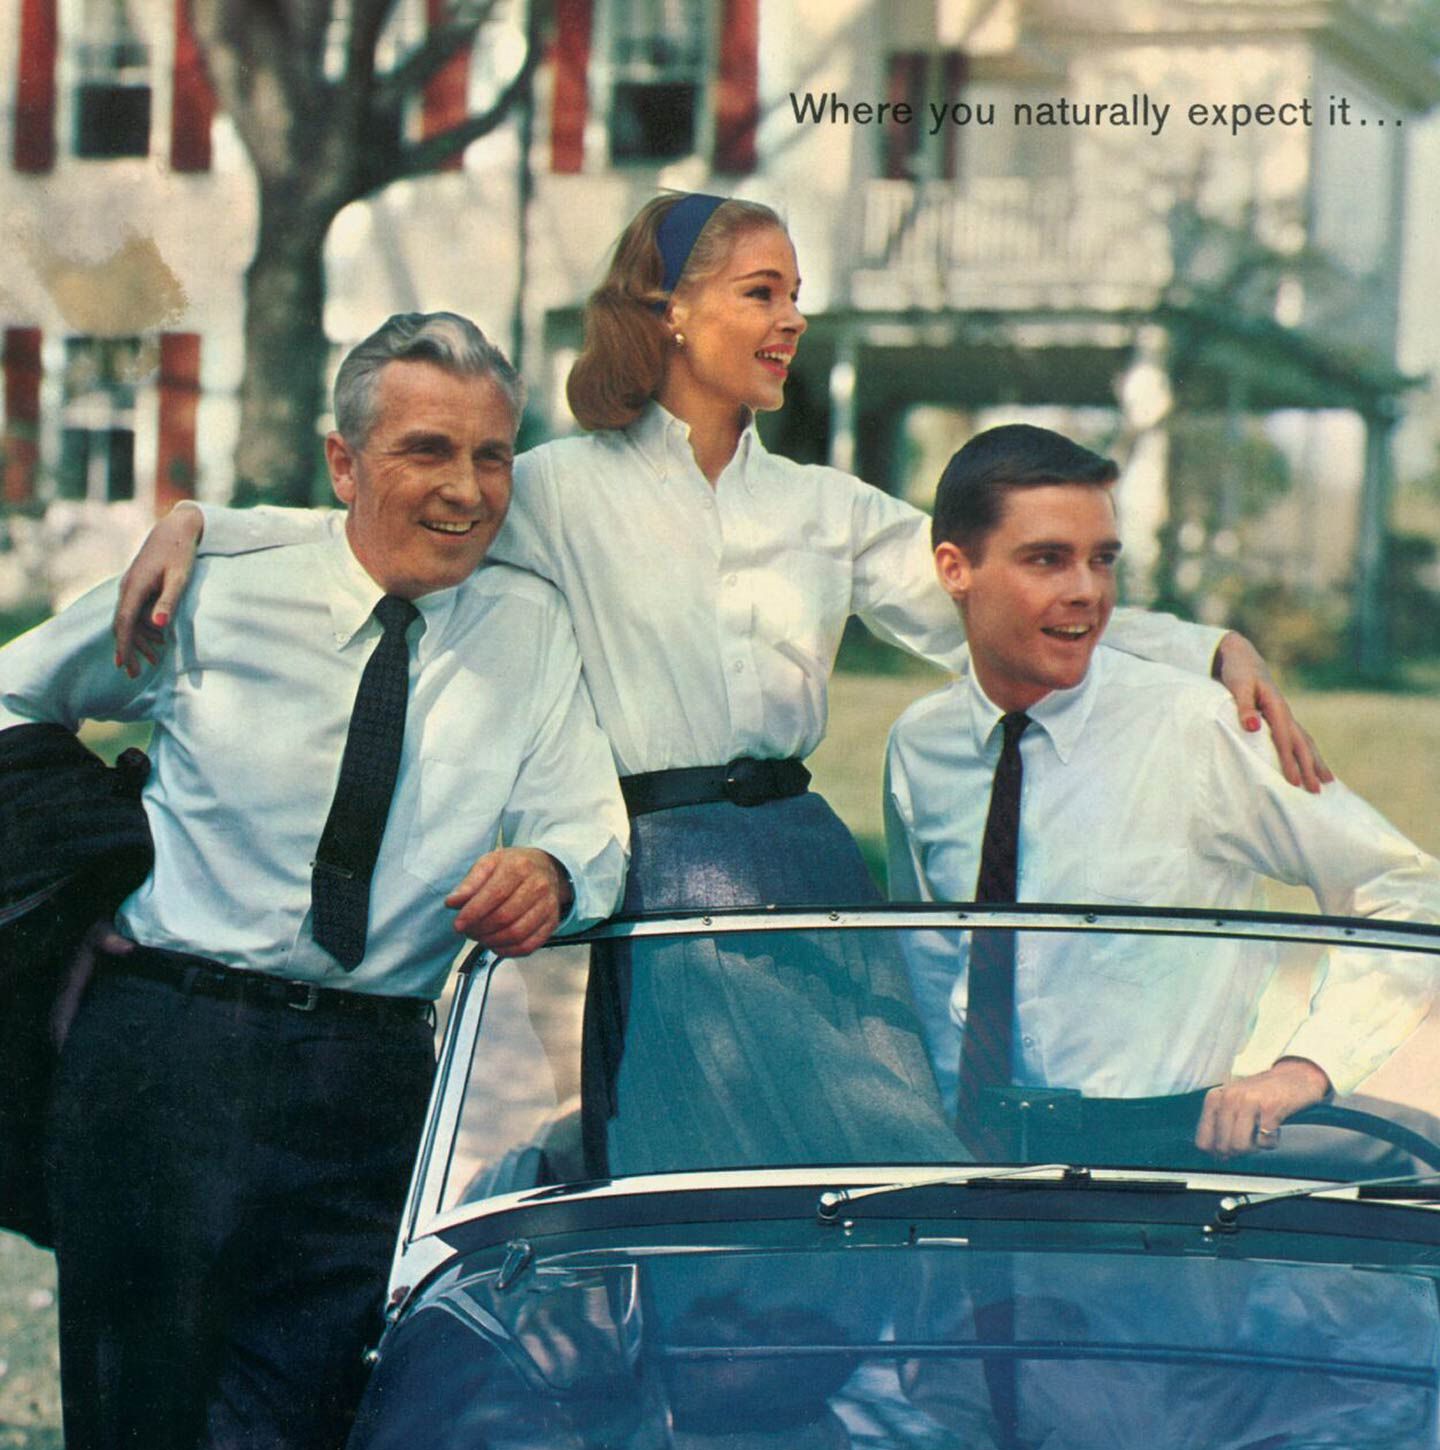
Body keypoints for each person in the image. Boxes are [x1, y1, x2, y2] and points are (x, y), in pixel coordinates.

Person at [109, 194, 1324, 1170]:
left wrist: (1198, 646)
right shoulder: (555, 488)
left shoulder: (819, 506)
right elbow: (394, 522)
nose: (793, 319)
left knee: (847, 1155)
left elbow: (998, 606)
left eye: (797, 295)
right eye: (762, 293)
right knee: (676, 1168)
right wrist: (204, 525)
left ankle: (818, 1438)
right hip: (639, 870)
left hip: (799, 855)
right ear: (671, 311)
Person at [0, 311, 628, 1450]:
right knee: (142, 1443)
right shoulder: (214, 596)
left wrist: (552, 869)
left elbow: (585, 820)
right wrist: (93, 851)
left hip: (372, 1077)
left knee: (312, 1437)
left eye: (494, 457)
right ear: (345, 466)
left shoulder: (528, 630)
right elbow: (16, 695)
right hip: (167, 1054)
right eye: (425, 451)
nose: (464, 490)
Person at [883, 423, 1440, 1164]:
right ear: (955, 568)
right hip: (976, 1158)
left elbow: (1403, 890)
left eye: (1102, 560)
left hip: (1169, 1158)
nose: (1086, 591)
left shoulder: (1199, 728)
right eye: (1047, 560)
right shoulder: (921, 747)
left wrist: (1303, 1071)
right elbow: (928, 965)